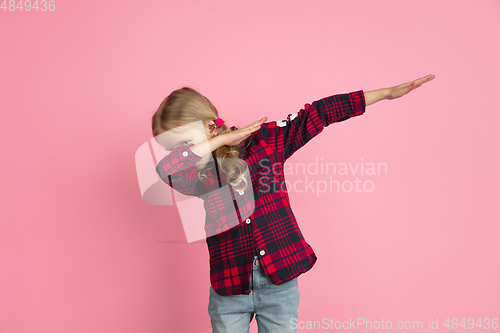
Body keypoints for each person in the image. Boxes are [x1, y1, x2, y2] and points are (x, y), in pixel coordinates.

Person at [151, 74, 435, 333]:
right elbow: (166, 169)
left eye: (185, 143)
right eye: (177, 148)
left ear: (210, 125)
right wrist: (216, 142)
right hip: (229, 288)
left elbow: (319, 112)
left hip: (280, 282)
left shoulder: (266, 140)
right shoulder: (196, 175)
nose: (184, 152)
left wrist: (384, 93)